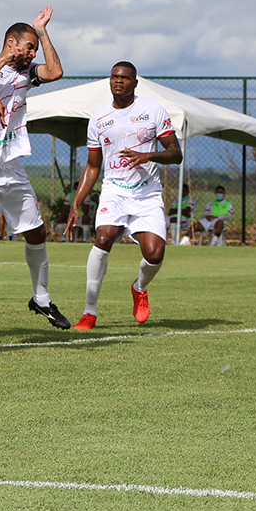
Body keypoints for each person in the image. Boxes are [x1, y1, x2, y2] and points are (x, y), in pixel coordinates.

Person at [0, 10, 70, 345]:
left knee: (37, 233)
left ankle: (41, 299)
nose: (33, 53)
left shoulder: (25, 74)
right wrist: (0, 63)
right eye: (29, 46)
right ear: (11, 43)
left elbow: (56, 72)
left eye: (35, 47)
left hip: (11, 165)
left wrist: (42, 31)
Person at [65, 62, 183, 329]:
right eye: (114, 77)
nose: (119, 81)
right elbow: (93, 166)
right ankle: (89, 312)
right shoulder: (98, 119)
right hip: (114, 191)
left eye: (125, 78)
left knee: (154, 254)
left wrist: (149, 155)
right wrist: (77, 201)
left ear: (135, 83)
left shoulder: (152, 111)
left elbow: (176, 153)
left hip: (147, 194)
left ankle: (139, 287)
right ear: (110, 81)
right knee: (103, 239)